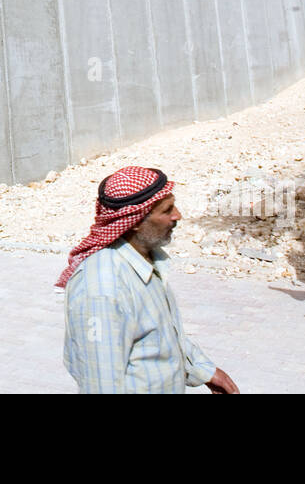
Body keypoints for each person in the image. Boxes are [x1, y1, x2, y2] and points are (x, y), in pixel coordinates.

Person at [59, 165, 238, 394]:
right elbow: (101, 385)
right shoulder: (103, 289)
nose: (178, 216)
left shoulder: (144, 261)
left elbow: (160, 335)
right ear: (134, 221)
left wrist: (203, 370)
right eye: (167, 210)